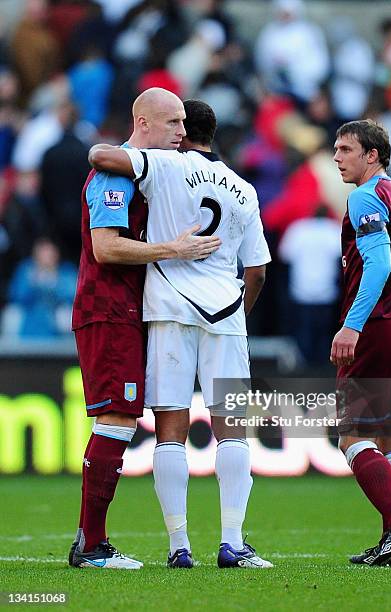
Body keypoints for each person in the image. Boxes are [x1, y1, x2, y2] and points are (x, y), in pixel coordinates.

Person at [89, 99, 273, 569]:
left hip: (169, 307)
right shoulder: (244, 190)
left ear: (183, 131)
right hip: (226, 314)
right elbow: (256, 272)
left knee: (170, 432)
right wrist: (239, 316)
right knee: (232, 432)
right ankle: (233, 542)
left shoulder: (166, 163)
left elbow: (103, 156)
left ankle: (179, 546)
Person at [69, 88, 221, 570]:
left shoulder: (151, 173)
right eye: (174, 123)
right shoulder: (114, 173)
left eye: (183, 123)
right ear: (144, 123)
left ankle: (91, 542)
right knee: (116, 419)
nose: (182, 133)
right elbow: (106, 249)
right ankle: (91, 546)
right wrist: (173, 250)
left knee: (121, 418)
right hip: (108, 309)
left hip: (130, 310)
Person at [331, 119, 391, 566]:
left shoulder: (364, 197)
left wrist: (352, 325)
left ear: (373, 156)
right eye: (336, 149)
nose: (336, 157)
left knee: (352, 434)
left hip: (379, 326)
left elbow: (379, 264)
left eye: (347, 149)